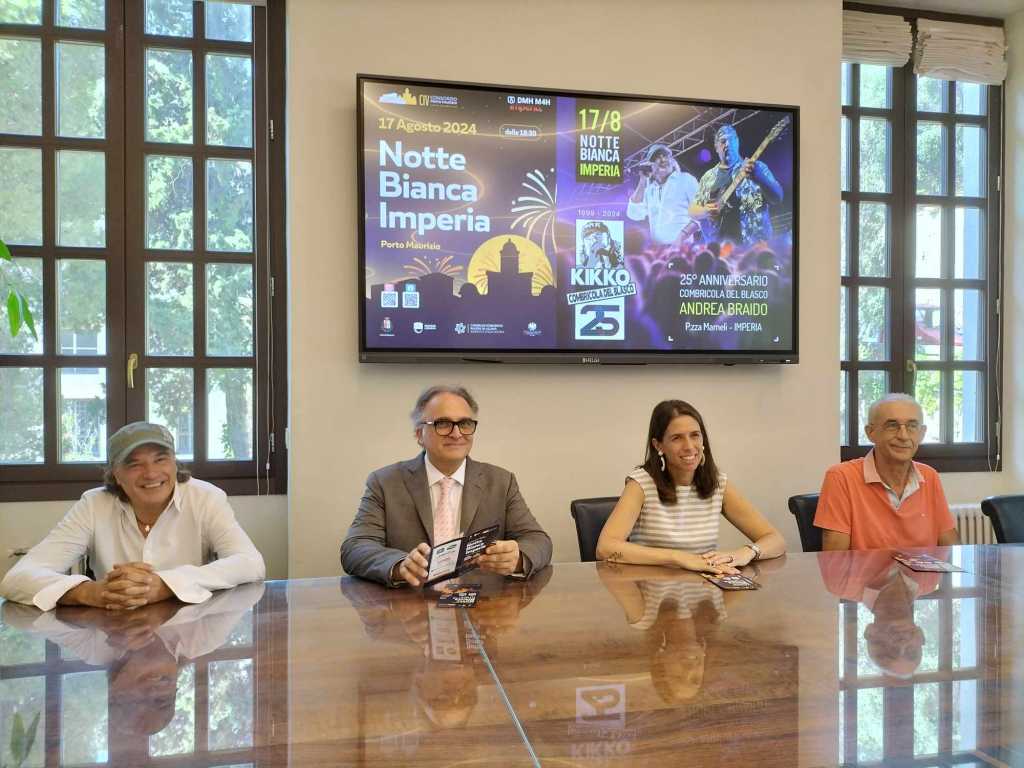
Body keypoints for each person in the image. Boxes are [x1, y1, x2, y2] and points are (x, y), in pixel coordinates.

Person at [0, 422, 266, 610]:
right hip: (114, 632)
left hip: (187, 628)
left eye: (160, 459)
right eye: (134, 464)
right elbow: (17, 579)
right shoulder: (93, 505)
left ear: (175, 463)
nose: (151, 473)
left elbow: (250, 563)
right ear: (116, 474)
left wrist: (165, 585)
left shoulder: (206, 498)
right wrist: (90, 592)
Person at [341, 385, 552, 587]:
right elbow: (355, 547)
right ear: (419, 434)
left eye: (465, 423)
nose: (457, 433)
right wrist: (399, 565)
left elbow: (539, 541)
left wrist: (517, 558)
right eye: (443, 423)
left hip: (483, 605)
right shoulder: (385, 482)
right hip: (410, 605)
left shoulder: (501, 482)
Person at [596, 400, 785, 571]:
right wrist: (679, 558)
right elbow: (605, 548)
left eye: (695, 435)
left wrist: (746, 552)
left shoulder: (718, 483)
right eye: (676, 438)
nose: (689, 446)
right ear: (658, 445)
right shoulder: (641, 484)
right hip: (653, 591)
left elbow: (776, 540)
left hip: (705, 590)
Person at [815, 394, 959, 551]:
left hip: (923, 568)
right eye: (892, 426)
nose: (903, 436)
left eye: (912, 426)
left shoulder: (929, 476)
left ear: (922, 433)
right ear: (870, 432)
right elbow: (835, 559)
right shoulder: (841, 477)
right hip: (865, 569)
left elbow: (952, 549)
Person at [819, 549, 941, 678]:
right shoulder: (930, 581)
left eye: (891, 651)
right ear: (921, 635)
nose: (902, 643)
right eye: (911, 651)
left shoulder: (841, 583)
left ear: (870, 632)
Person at [690, 124, 783, 245]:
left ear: (737, 142)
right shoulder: (708, 177)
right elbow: (692, 211)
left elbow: (778, 197)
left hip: (756, 245)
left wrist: (759, 177)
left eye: (731, 139)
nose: (728, 144)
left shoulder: (757, 167)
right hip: (722, 249)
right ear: (716, 147)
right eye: (723, 141)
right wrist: (707, 211)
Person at [626, 144, 699, 247]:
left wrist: (681, 237)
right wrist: (642, 180)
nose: (663, 160)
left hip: (683, 249)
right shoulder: (650, 190)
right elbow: (633, 214)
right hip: (659, 252)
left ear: (672, 160)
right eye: (657, 158)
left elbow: (701, 215)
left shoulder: (686, 180)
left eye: (665, 156)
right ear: (650, 165)